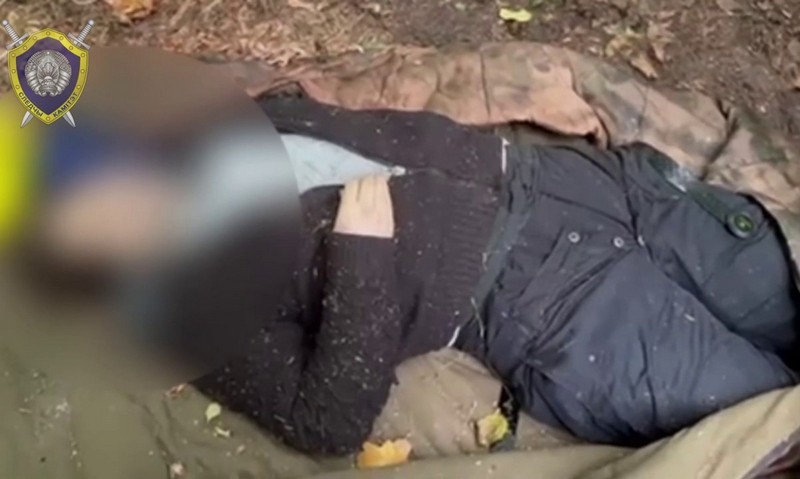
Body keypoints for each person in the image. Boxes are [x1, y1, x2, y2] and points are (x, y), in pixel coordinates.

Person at [13, 97, 800, 454]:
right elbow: (327, 422)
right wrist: (360, 253)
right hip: (553, 302)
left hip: (574, 180)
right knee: (774, 415)